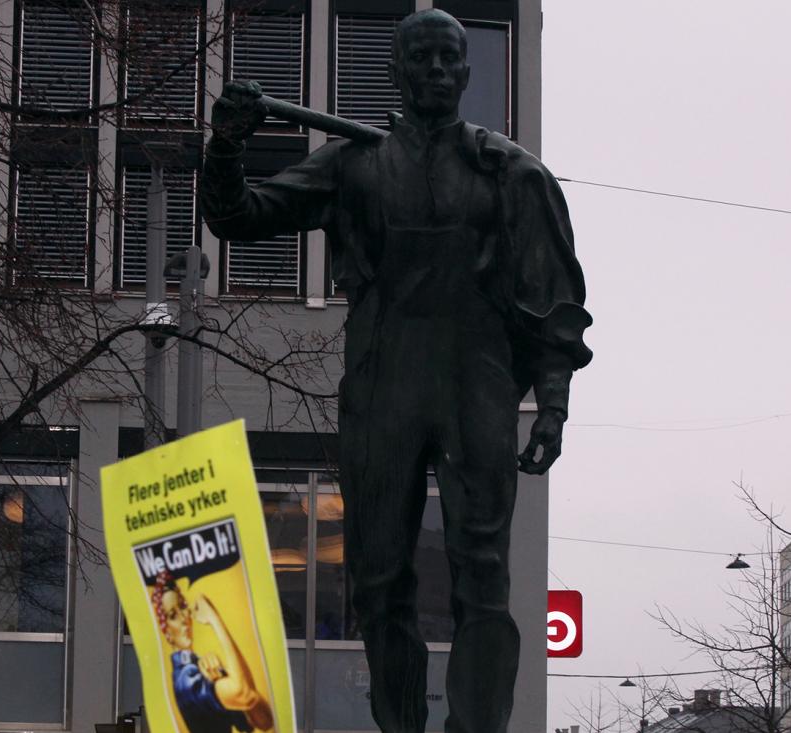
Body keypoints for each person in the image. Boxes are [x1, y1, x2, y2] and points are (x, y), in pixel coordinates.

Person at [199, 9, 592, 733]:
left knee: (485, 577)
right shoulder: (354, 165)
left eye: (450, 60)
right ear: (397, 73)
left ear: (467, 74)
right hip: (383, 384)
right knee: (379, 579)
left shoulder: (509, 172)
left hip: (478, 384)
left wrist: (556, 404)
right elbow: (240, 216)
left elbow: (552, 298)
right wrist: (225, 143)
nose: (438, 72)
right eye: (423, 60)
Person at [151, 571, 274, 733]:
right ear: (165, 630)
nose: (183, 618)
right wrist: (215, 620)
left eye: (182, 606)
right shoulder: (186, 679)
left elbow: (264, 720)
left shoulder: (201, 669)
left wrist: (222, 678)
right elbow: (245, 694)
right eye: (173, 615)